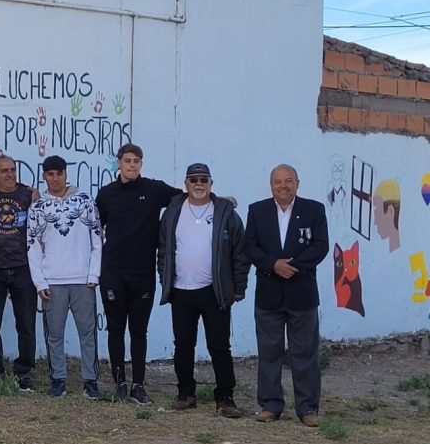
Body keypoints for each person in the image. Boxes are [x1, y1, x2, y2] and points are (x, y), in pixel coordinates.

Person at [157, 163, 250, 418]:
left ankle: (225, 397)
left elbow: (240, 253)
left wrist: (238, 288)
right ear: (186, 184)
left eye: (204, 180)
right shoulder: (173, 211)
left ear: (211, 183)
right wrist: (164, 278)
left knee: (219, 346)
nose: (199, 184)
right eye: (193, 180)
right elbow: (163, 249)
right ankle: (186, 393)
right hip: (181, 290)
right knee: (183, 345)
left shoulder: (225, 212)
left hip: (214, 290)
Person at [95, 143, 182, 405]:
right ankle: (119, 382)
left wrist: (219, 200)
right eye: (128, 161)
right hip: (112, 272)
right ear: (118, 163)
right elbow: (94, 230)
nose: (132, 165)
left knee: (139, 331)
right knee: (115, 329)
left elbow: (187, 197)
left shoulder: (154, 190)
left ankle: (138, 384)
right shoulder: (106, 194)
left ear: (141, 165)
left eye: (137, 161)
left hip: (143, 273)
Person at [244, 164, 328, 427]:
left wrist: (293, 266)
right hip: (268, 294)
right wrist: (272, 264)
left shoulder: (314, 210)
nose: (283, 185)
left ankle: (307, 408)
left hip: (302, 293)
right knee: (269, 352)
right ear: (271, 185)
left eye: (288, 180)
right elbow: (250, 246)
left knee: (305, 354)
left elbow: (321, 246)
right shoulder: (257, 210)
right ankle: (270, 405)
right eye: (278, 181)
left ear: (297, 183)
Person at [27, 155, 103, 399]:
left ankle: (90, 381)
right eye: (50, 174)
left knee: (87, 333)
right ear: (44, 176)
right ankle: (58, 380)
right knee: (54, 335)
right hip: (53, 281)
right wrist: (39, 282)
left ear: (66, 173)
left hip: (83, 280)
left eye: (59, 173)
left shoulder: (85, 201)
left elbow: (97, 239)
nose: (55, 178)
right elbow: (33, 246)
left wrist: (94, 274)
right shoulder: (37, 208)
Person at [0, 155, 38, 391]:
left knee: (26, 323)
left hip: (23, 266)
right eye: (4, 170)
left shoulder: (28, 195)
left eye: (13, 169)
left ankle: (24, 372)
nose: (10, 174)